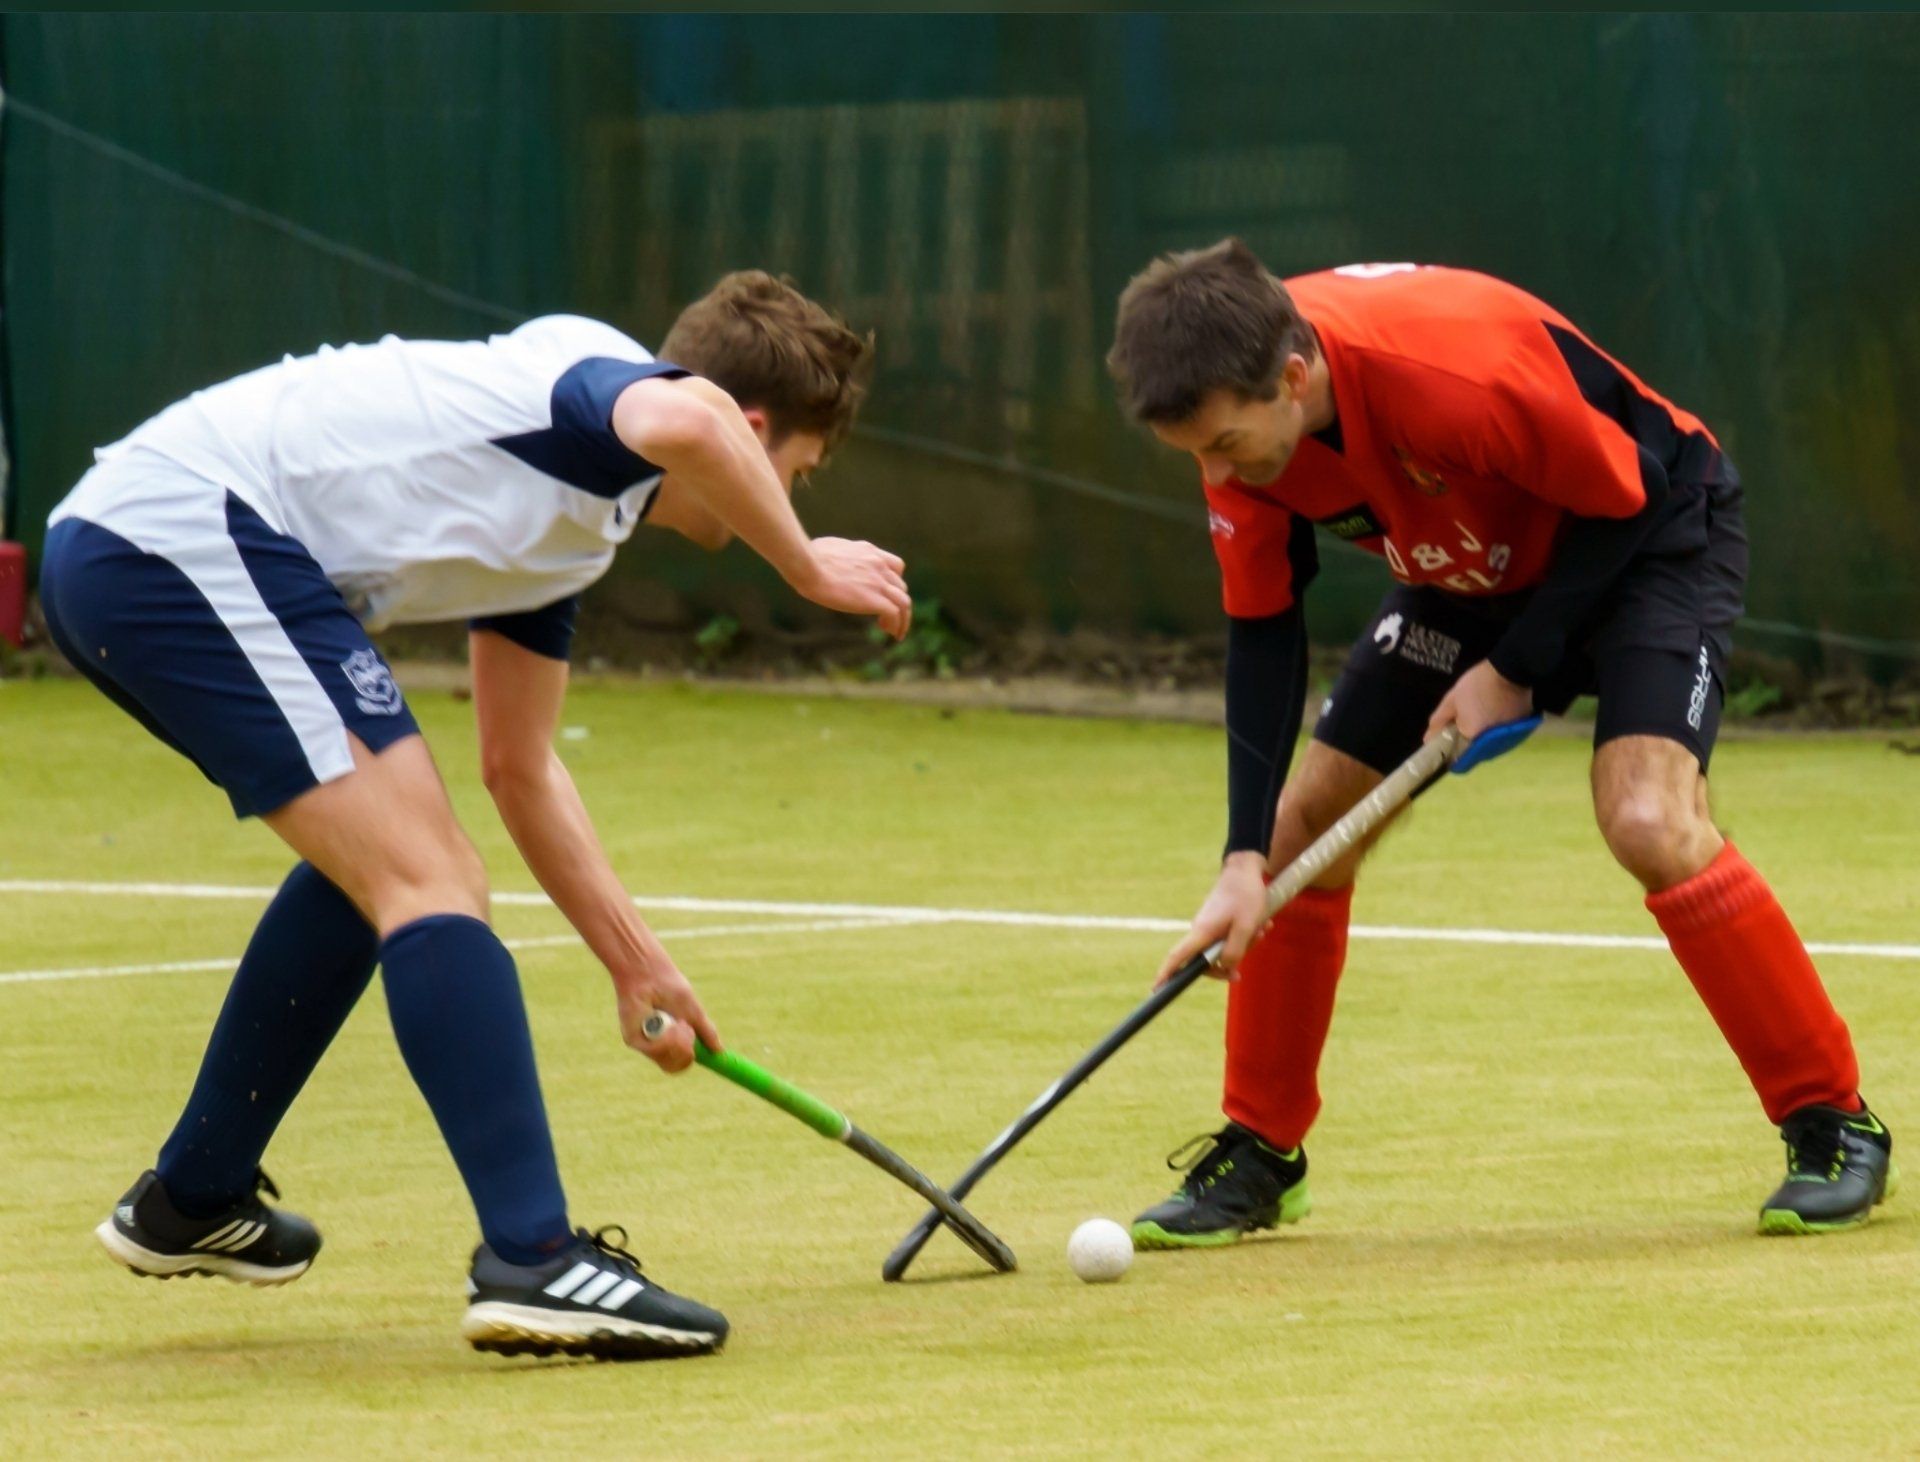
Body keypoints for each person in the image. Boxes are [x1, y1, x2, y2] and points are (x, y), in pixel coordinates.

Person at [40, 270, 912, 1359]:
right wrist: (808, 563)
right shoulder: (605, 395)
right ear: (752, 428)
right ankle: (533, 1258)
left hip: (147, 548)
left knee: (381, 871)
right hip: (178, 535)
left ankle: (194, 1195)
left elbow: (521, 768)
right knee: (431, 879)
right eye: (797, 474)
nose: (786, 502)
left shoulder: (578, 525)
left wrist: (635, 962)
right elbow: (690, 421)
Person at [1104, 240, 1893, 1249]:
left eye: (1224, 444)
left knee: (1648, 817)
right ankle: (1261, 1151)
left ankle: (1834, 1121)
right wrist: (1242, 860)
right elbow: (1263, 628)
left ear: (1293, 379)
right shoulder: (1234, 392)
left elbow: (1633, 491)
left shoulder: (1448, 378)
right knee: (1305, 828)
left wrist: (1515, 667)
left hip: (1647, 536)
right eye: (1195, 453)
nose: (1216, 473)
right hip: (1467, 562)